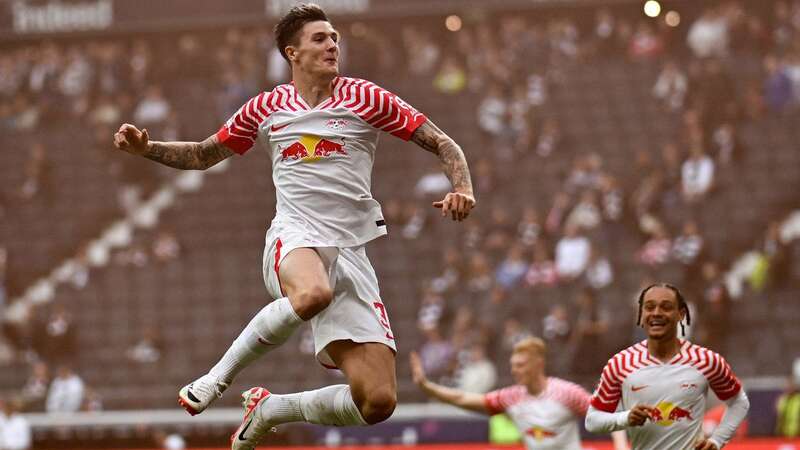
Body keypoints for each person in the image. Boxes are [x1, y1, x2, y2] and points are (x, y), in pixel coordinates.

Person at [111, 4, 475, 450]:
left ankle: (271, 410)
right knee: (312, 293)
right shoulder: (266, 107)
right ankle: (216, 378)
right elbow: (204, 154)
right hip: (295, 234)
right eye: (320, 38)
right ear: (292, 52)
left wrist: (463, 188)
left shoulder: (367, 97)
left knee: (378, 401)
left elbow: (443, 142)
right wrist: (148, 149)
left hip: (351, 252)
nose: (332, 44)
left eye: (335, 37)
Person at [585, 283, 749, 450]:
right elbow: (592, 420)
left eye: (666, 307)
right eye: (649, 307)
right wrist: (626, 418)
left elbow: (739, 402)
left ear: (681, 314)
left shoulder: (706, 360)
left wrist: (717, 441)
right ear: (641, 315)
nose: (656, 313)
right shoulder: (620, 363)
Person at [410, 337, 628, 450]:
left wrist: (620, 447)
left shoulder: (566, 392)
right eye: (513, 365)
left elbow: (606, 413)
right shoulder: (510, 397)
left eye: (521, 365)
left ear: (538, 364)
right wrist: (427, 386)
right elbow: (463, 398)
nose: (515, 370)